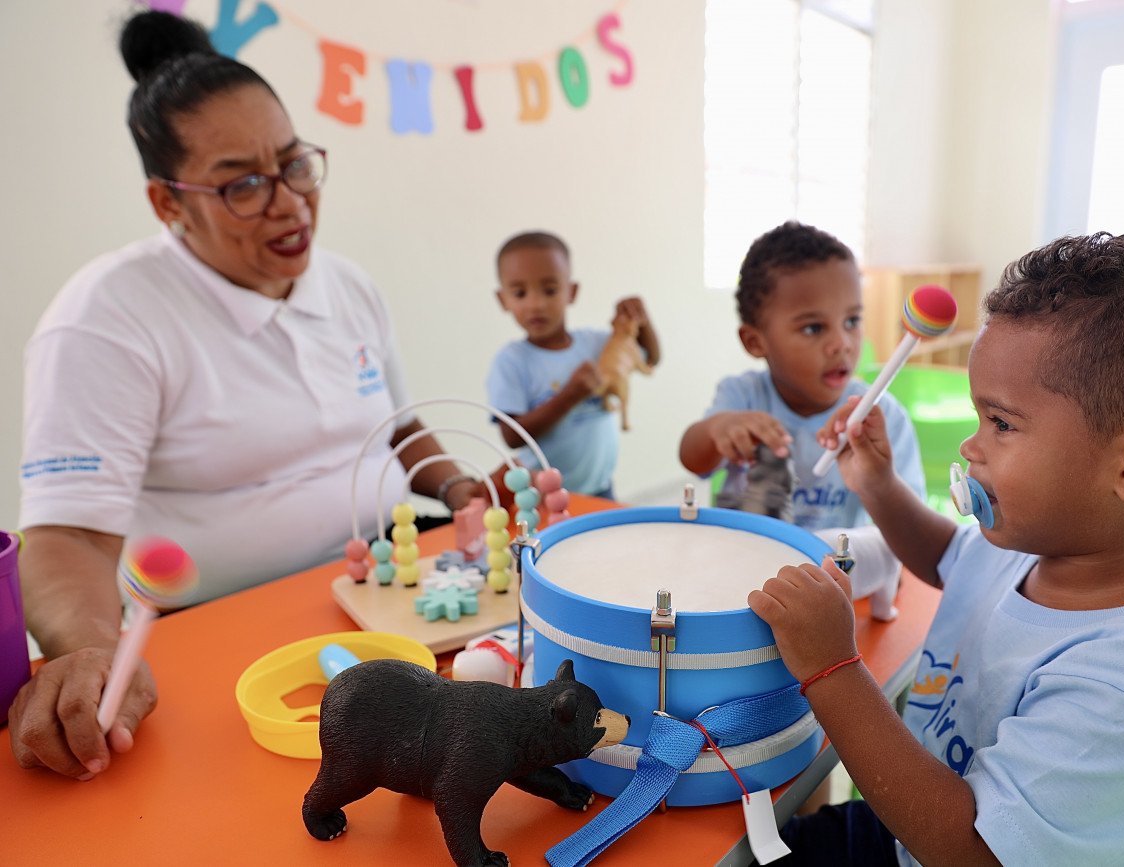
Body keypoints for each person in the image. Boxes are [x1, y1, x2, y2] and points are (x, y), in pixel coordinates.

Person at [10, 10, 482, 780]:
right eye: (244, 184)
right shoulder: (107, 317)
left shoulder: (348, 286)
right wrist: (91, 650)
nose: (290, 203)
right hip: (223, 626)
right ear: (168, 203)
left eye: (295, 164)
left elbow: (398, 427)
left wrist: (463, 487)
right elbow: (67, 538)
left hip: (396, 588)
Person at [749, 233, 1124, 866]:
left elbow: (973, 849)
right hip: (918, 822)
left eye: (1001, 423)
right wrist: (878, 484)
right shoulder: (1048, 541)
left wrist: (833, 670)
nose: (971, 447)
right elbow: (950, 559)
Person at [679, 220, 925, 532]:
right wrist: (718, 428)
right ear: (755, 342)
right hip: (746, 557)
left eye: (852, 321)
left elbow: (912, 527)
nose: (842, 344)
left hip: (833, 563)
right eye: (813, 328)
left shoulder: (882, 417)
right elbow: (692, 460)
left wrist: (881, 481)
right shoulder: (742, 396)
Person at [486, 231, 660, 499]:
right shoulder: (511, 361)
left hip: (601, 489)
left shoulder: (595, 344)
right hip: (542, 496)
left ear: (572, 292)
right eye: (520, 293)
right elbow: (512, 436)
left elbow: (649, 358)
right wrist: (570, 395)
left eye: (550, 290)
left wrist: (643, 321)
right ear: (503, 300)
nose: (536, 304)